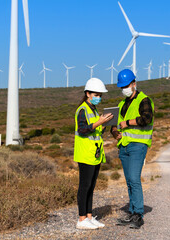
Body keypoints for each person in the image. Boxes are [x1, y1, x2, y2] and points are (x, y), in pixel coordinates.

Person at [111, 69, 154, 229]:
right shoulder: (121, 104)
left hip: (138, 145)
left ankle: (139, 215)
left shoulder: (144, 100)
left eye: (126, 86)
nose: (124, 89)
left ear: (134, 84)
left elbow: (147, 118)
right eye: (122, 87)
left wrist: (128, 123)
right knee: (129, 181)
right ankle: (132, 212)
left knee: (135, 179)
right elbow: (115, 125)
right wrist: (115, 132)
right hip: (124, 146)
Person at [74, 78, 113, 230]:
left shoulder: (94, 110)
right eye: (96, 94)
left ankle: (89, 216)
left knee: (91, 186)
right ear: (88, 94)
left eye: (100, 95)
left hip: (94, 154)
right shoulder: (82, 110)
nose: (99, 97)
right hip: (85, 153)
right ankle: (81, 218)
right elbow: (83, 129)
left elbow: (94, 130)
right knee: (84, 186)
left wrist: (105, 123)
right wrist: (99, 122)